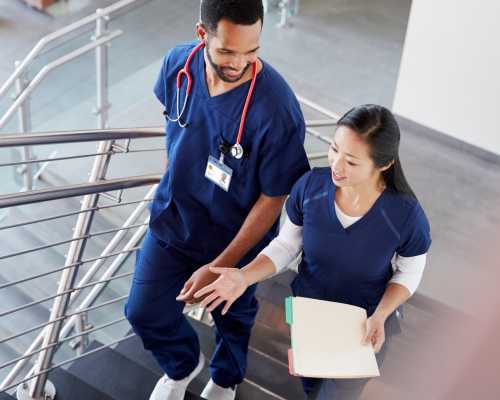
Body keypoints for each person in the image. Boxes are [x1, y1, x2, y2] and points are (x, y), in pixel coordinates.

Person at [124, 1, 310, 399]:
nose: (240, 62)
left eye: (252, 50)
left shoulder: (276, 109)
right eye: (227, 50)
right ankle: (182, 365)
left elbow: (274, 197)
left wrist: (223, 265)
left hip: (236, 237)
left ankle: (226, 379)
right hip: (174, 221)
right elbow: (174, 127)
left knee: (233, 317)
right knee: (142, 311)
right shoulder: (179, 65)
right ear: (201, 34)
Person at [194, 105, 432, 399]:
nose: (337, 166)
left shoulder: (405, 216)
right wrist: (244, 276)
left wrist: (382, 314)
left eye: (352, 162)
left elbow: (410, 270)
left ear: (383, 165)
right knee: (310, 386)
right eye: (334, 149)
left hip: (363, 327)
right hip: (311, 317)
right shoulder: (310, 187)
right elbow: (286, 245)